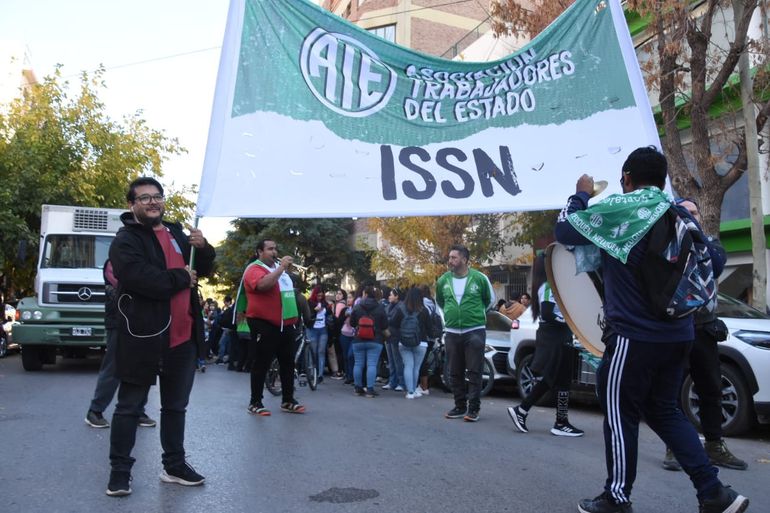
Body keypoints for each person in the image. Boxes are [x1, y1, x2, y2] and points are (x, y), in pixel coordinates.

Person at [554, 147, 748, 513]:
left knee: (619, 411)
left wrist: (580, 193)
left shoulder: (623, 209)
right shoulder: (678, 212)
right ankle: (714, 492)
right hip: (680, 335)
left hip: (633, 337)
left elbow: (565, 228)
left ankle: (616, 497)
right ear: (662, 179)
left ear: (626, 178)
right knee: (664, 411)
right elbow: (716, 260)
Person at [106, 177, 215, 497]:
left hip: (183, 337)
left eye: (157, 197)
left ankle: (174, 466)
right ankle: (119, 472)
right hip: (144, 336)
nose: (153, 202)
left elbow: (203, 270)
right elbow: (137, 277)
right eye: (144, 198)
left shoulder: (177, 233)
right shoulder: (126, 239)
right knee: (129, 406)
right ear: (132, 205)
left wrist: (204, 248)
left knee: (175, 407)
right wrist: (180, 277)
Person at [661, 199, 747, 472]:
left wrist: (693, 228)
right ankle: (674, 446)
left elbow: (717, 265)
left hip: (704, 329)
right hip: (675, 328)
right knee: (671, 389)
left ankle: (714, 445)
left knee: (711, 387)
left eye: (694, 212)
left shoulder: (709, 243)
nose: (689, 216)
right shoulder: (667, 246)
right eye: (684, 212)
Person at [507, 253, 584, 437]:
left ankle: (556, 420)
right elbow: (549, 313)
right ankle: (540, 416)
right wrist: (570, 322)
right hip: (554, 337)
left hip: (558, 337)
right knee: (553, 378)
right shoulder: (549, 286)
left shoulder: (550, 285)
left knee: (559, 379)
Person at [85, 260, 156, 429]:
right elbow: (130, 285)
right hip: (119, 320)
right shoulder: (116, 259)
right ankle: (95, 410)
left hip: (143, 321)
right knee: (114, 366)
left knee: (143, 366)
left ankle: (138, 410)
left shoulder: (145, 256)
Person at [237, 239, 305, 416]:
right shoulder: (254, 269)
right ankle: (255, 402)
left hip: (286, 324)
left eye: (276, 248)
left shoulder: (279, 270)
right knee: (261, 363)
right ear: (260, 252)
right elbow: (262, 285)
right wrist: (281, 268)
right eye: (270, 249)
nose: (274, 252)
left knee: (288, 363)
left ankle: (288, 400)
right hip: (264, 323)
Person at [436, 244, 495, 422]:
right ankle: (459, 406)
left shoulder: (479, 278)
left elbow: (489, 300)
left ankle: (474, 409)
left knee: (474, 371)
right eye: (450, 257)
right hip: (452, 332)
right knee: (455, 371)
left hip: (474, 331)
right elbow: (439, 301)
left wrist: (476, 315)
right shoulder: (443, 280)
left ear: (464, 259)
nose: (450, 261)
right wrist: (447, 319)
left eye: (454, 257)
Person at [391, 287, 431, 399]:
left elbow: (393, 325)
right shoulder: (424, 310)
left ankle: (410, 392)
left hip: (403, 342)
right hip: (421, 342)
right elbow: (429, 328)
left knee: (408, 365)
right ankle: (414, 389)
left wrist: (398, 336)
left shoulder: (401, 309)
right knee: (416, 368)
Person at [350, 285, 389, 397]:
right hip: (375, 340)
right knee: (372, 364)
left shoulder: (357, 306)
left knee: (358, 364)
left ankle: (358, 388)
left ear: (365, 294)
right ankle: (370, 390)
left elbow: (352, 323)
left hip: (358, 339)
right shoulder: (380, 307)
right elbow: (384, 324)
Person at [308, 286, 332, 383]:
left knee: (321, 351)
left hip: (323, 329)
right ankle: (311, 372)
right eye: (318, 296)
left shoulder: (325, 304)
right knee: (312, 352)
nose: (320, 297)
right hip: (313, 329)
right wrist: (315, 310)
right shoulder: (309, 302)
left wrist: (329, 308)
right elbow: (307, 315)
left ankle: (320, 374)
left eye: (321, 296)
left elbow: (329, 315)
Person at [383, 287, 405, 391]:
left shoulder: (401, 306)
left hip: (396, 336)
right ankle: (392, 381)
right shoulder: (388, 306)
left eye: (391, 294)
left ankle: (401, 382)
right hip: (387, 335)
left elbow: (393, 320)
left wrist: (386, 320)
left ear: (397, 296)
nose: (389, 296)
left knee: (397, 360)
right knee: (391, 360)